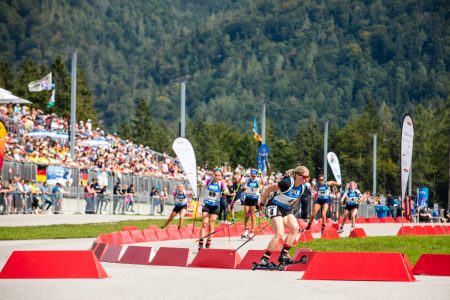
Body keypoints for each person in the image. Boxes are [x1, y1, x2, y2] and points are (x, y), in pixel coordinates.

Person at [257, 165, 310, 267]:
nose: (306, 179)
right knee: (280, 233)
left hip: (286, 209)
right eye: (304, 177)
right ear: (297, 176)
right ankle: (264, 259)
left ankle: (283, 255)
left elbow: (295, 199)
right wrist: (261, 203)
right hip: (274, 206)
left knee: (295, 228)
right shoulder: (287, 183)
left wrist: (291, 206)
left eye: (307, 177)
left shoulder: (303, 187)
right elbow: (268, 189)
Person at [197, 168, 230, 251]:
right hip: (207, 204)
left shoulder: (221, 183)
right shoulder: (208, 181)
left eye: (219, 175)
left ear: (220, 176)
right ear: (213, 175)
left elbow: (226, 190)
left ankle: (208, 243)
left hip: (215, 206)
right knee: (204, 224)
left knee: (211, 225)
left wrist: (227, 192)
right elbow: (202, 183)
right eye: (216, 175)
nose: (217, 177)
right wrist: (200, 184)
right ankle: (200, 244)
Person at [242, 169, 262, 239]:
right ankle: (246, 230)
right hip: (248, 198)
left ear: (256, 175)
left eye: (254, 176)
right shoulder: (248, 179)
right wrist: (242, 176)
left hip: (254, 199)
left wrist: (261, 175)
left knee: (253, 216)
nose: (253, 177)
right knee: (246, 215)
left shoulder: (258, 179)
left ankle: (252, 232)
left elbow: (263, 182)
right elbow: (241, 182)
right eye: (252, 176)